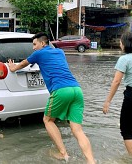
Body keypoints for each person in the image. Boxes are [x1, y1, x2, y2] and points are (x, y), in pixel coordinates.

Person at [7, 32, 95, 163]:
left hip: (61, 90)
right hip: (77, 90)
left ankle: (63, 153)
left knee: (48, 120)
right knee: (77, 130)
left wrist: (12, 67)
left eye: (35, 44)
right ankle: (91, 161)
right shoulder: (60, 52)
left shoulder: (39, 53)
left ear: (43, 43)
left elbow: (22, 64)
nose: (33, 48)